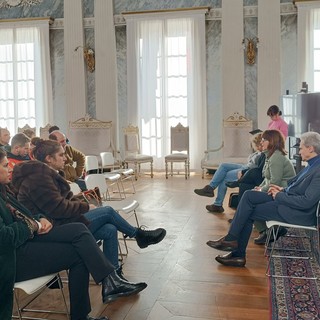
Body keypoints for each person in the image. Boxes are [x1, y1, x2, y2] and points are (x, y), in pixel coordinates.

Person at [0, 148, 147, 320]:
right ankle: (111, 280)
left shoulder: (5, 190)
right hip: (11, 260)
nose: (10, 168)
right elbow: (4, 238)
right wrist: (33, 224)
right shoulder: (34, 179)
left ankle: (86, 310)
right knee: (96, 221)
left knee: (80, 245)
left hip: (25, 244)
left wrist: (39, 219)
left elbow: (24, 213)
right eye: (5, 165)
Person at [11, 139, 166, 275]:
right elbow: (58, 208)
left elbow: (63, 201)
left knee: (110, 230)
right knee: (108, 211)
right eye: (61, 155)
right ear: (49, 158)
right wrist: (85, 207)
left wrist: (85, 202)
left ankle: (113, 278)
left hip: (61, 220)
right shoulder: (39, 177)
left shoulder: (47, 173)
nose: (66, 158)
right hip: (52, 227)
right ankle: (138, 235)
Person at [206, 131, 320, 268]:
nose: (299, 151)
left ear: (310, 148)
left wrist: (279, 195)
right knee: (248, 195)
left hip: (298, 213)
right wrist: (282, 190)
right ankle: (232, 244)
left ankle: (236, 251)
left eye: (301, 148)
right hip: (288, 202)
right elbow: (296, 187)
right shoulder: (313, 165)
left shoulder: (317, 169)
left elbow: (306, 202)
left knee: (247, 212)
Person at [194, 133, 263, 213]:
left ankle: (217, 204)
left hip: (247, 170)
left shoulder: (262, 155)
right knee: (223, 165)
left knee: (224, 177)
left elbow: (255, 168)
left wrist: (243, 171)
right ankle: (210, 188)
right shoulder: (258, 153)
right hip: (245, 166)